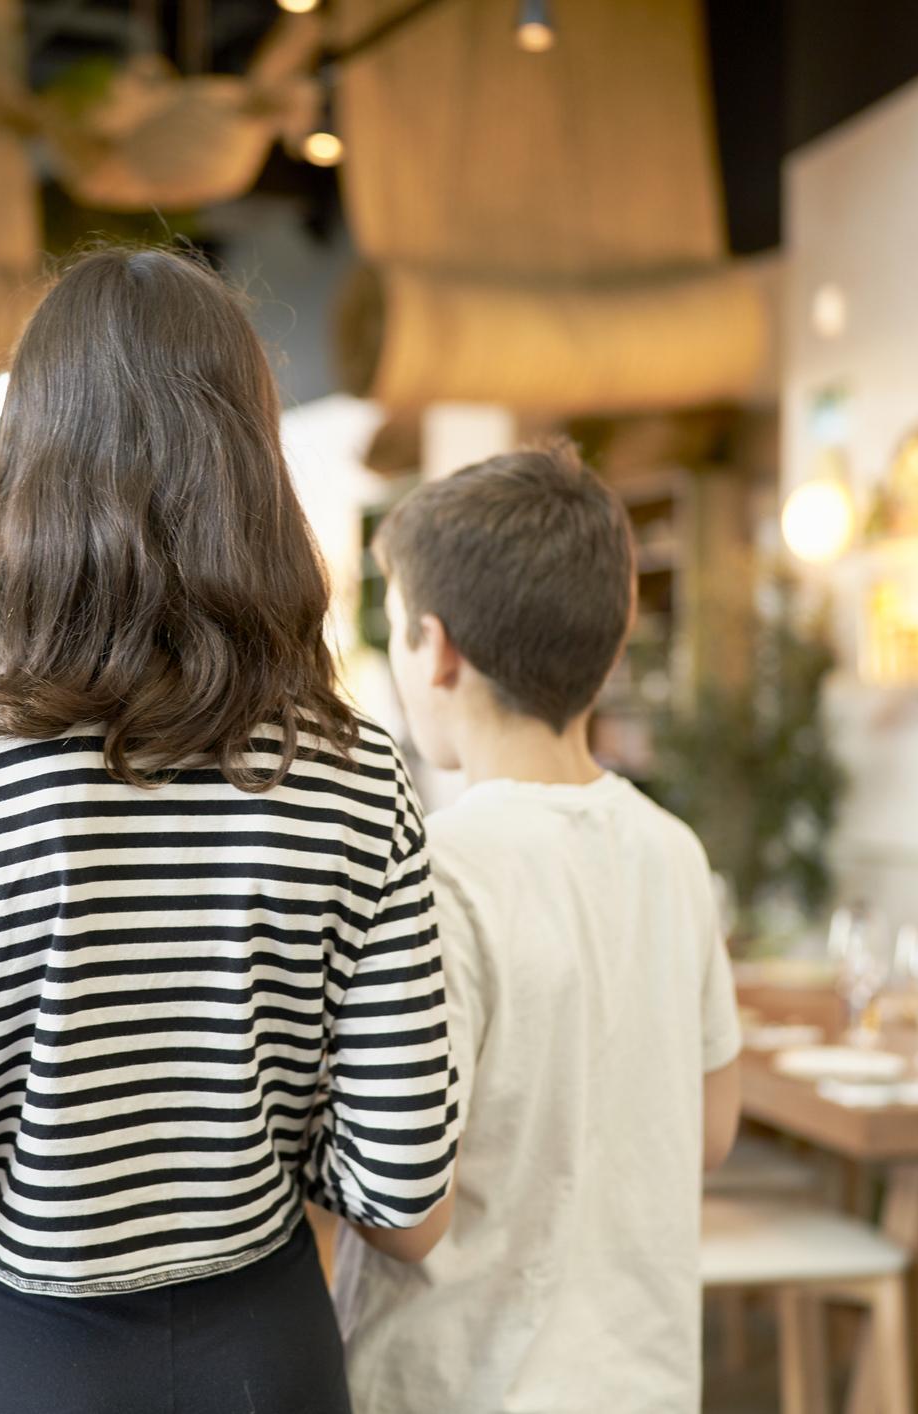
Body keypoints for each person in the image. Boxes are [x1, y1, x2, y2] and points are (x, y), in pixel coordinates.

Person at [0, 247, 459, 1414]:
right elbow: (399, 1182)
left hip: (12, 1360)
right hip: (268, 1351)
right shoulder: (355, 775)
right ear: (250, 466)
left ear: (27, 463)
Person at [332, 442, 744, 1414]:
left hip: (458, 1384)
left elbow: (407, 1214)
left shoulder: (433, 872)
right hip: (639, 1381)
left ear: (434, 649)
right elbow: (709, 1127)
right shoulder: (671, 850)